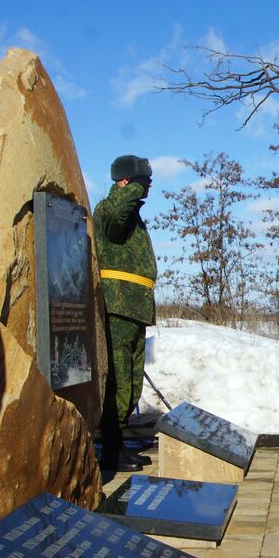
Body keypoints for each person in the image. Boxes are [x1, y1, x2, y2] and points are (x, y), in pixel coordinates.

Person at [95, 156, 158, 479]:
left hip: (134, 308)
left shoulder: (132, 213)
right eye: (142, 180)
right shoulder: (110, 210)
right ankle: (111, 448)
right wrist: (131, 190)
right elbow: (116, 217)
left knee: (131, 380)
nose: (148, 185)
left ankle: (118, 443)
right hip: (118, 306)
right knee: (118, 380)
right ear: (125, 182)